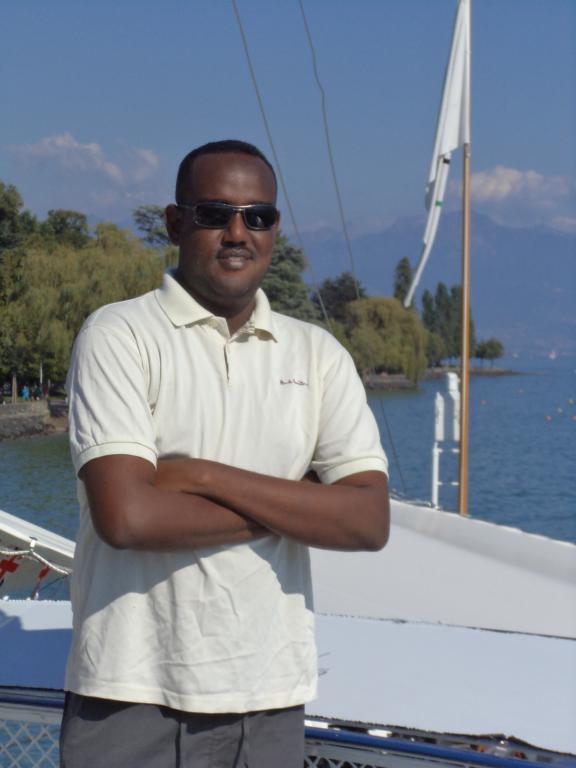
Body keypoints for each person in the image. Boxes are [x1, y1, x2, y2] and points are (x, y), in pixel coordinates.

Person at [60, 139, 389, 768]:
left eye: (257, 216)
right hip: (128, 694)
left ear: (274, 229)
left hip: (268, 700)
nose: (238, 233)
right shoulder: (120, 335)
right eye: (215, 214)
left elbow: (368, 522)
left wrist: (200, 475)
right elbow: (128, 518)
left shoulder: (318, 355)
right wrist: (302, 504)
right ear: (175, 223)